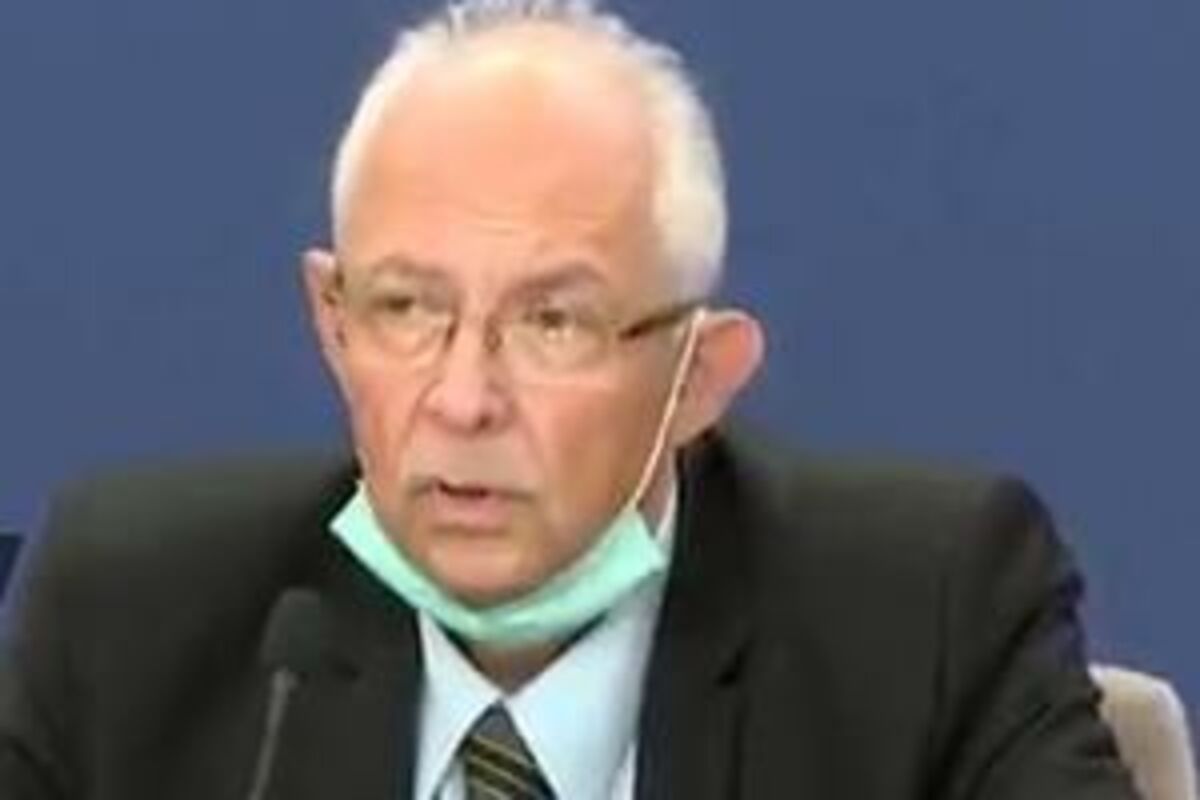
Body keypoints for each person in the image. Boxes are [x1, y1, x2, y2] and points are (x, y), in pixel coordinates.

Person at [0, 2, 1140, 798]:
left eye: (554, 323)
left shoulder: (928, 622)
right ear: (333, 323)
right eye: (407, 308)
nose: (463, 400)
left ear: (699, 376)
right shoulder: (130, 621)